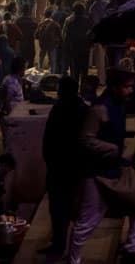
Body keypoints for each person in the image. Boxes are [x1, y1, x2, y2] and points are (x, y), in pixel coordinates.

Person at [68, 68, 135, 264]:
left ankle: (132, 248)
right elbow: (84, 140)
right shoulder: (99, 109)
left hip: (116, 169)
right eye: (127, 87)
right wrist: (112, 149)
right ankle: (74, 260)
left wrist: (123, 155)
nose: (130, 90)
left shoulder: (119, 105)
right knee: (87, 222)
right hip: (97, 173)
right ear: (115, 87)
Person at [40, 76, 88, 256]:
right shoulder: (82, 109)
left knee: (61, 209)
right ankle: (64, 246)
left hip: (63, 168)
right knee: (65, 209)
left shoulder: (63, 109)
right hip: (70, 168)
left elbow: (50, 137)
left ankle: (61, 245)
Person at [62, 2, 92, 91]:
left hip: (73, 49)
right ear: (83, 11)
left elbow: (66, 37)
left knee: (74, 71)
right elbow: (91, 35)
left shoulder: (70, 21)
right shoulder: (87, 21)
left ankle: (74, 90)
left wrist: (66, 49)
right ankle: (83, 89)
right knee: (84, 71)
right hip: (85, 49)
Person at [35, 8, 62, 73]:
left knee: (41, 60)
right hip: (52, 45)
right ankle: (52, 74)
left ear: (44, 15)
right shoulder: (55, 24)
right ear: (51, 15)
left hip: (43, 45)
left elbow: (36, 35)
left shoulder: (41, 24)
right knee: (52, 61)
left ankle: (39, 73)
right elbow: (60, 35)